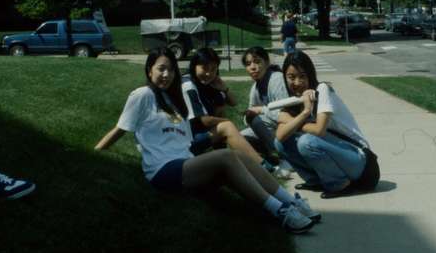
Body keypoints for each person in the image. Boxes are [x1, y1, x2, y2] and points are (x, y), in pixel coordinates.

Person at [95, 47, 320, 234]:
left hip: (185, 164)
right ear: (149, 69)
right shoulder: (143, 95)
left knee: (241, 157)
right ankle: (279, 212)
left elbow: (192, 133)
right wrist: (95, 154)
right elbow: (120, 129)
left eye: (171, 70)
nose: (166, 75)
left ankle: (291, 202)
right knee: (227, 155)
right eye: (161, 69)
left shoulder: (174, 101)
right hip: (163, 170)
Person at [275, 50, 370, 198]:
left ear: (311, 75)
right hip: (341, 156)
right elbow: (279, 136)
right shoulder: (294, 99)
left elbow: (319, 130)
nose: (297, 82)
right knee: (282, 142)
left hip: (359, 160)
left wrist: (304, 113)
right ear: (285, 77)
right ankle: (315, 181)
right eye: (291, 77)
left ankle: (340, 184)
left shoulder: (322, 90)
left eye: (302, 76)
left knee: (306, 141)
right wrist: (302, 114)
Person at [182, 47, 276, 172]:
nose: (209, 73)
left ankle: (222, 157)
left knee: (220, 107)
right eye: (204, 68)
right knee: (226, 126)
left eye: (213, 69)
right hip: (186, 141)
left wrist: (224, 88)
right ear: (194, 66)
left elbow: (233, 102)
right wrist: (227, 123)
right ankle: (263, 165)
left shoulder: (207, 83)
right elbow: (204, 120)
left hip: (201, 134)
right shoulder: (188, 84)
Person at [241, 46, 293, 178]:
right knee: (239, 137)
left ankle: (286, 158)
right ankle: (269, 157)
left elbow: (286, 113)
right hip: (270, 126)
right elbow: (250, 110)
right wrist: (250, 116)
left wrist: (258, 113)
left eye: (257, 62)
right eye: (248, 64)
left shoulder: (276, 79)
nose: (253, 67)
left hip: (288, 126)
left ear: (267, 62)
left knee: (254, 119)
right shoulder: (256, 86)